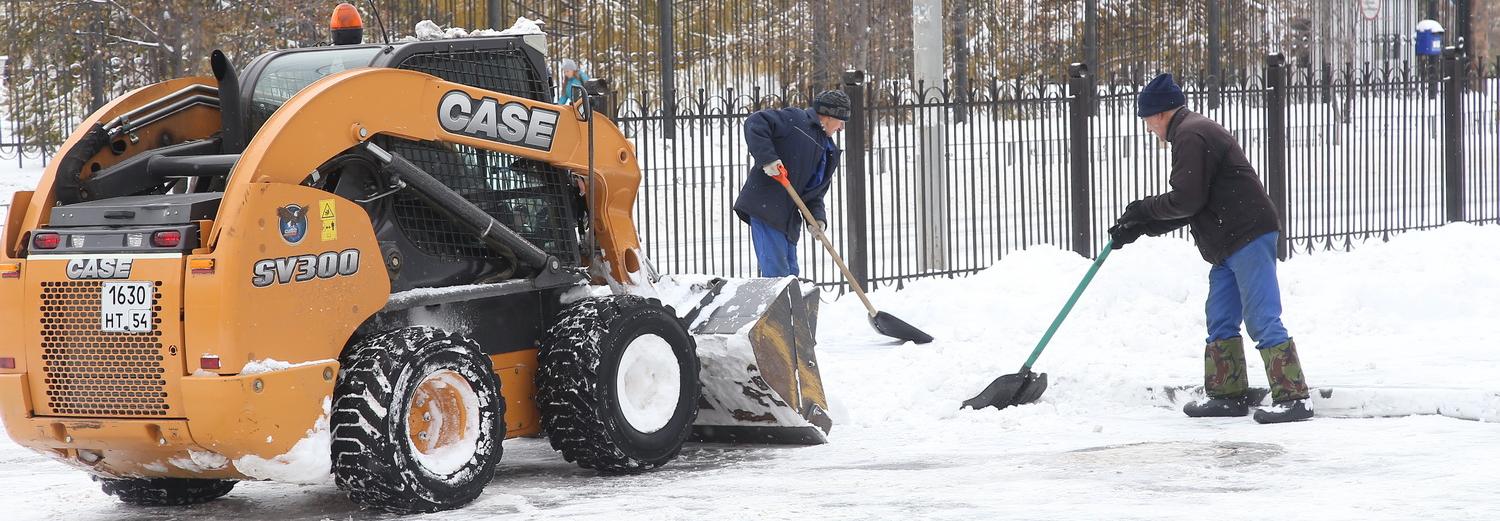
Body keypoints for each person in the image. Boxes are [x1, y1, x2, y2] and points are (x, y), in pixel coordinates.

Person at [1110, 73, 1313, 424]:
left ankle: (1294, 398)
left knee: (1261, 316)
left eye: (1146, 119)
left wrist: (1144, 210)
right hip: (1227, 241)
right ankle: (1228, 394)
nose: (1147, 128)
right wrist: (1140, 226)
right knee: (1220, 316)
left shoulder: (1190, 134)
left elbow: (1186, 200)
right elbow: (1193, 204)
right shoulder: (1189, 132)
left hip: (1247, 235)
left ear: (1160, 113)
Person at [733, 90, 849, 277]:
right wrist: (768, 159)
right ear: (828, 116)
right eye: (841, 121)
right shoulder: (797, 121)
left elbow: (814, 193)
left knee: (791, 276)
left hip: (788, 219)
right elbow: (755, 122)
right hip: (767, 208)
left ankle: (789, 297)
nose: (842, 127)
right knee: (777, 275)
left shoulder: (829, 151)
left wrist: (817, 218)